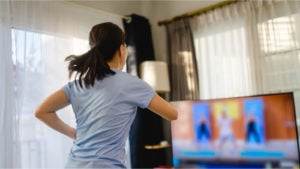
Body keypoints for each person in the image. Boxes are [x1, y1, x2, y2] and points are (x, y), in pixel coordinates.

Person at [34, 22, 178, 168]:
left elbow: (41, 112)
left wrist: (73, 133)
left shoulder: (77, 85)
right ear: (122, 49)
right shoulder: (130, 83)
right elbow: (173, 114)